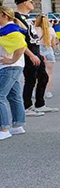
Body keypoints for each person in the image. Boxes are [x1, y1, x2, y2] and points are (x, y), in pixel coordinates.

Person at [14, 0, 56, 116]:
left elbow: (33, 37)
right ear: (23, 3)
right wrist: (31, 54)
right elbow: (19, 40)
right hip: (28, 54)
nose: (33, 4)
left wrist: (39, 53)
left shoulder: (27, 18)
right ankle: (27, 106)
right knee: (30, 79)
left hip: (36, 52)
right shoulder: (17, 18)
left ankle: (40, 104)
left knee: (43, 77)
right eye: (30, 1)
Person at [0, 7, 27, 140]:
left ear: (4, 15)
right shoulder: (10, 28)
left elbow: (21, 46)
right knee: (14, 96)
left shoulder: (10, 29)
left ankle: (4, 128)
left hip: (9, 66)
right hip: (13, 66)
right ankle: (17, 125)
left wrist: (11, 60)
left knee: (0, 96)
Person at [34, 15, 59, 100]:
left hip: (38, 50)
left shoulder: (35, 29)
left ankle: (36, 91)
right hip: (48, 50)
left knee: (37, 73)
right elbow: (54, 44)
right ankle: (48, 92)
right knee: (49, 73)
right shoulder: (51, 30)